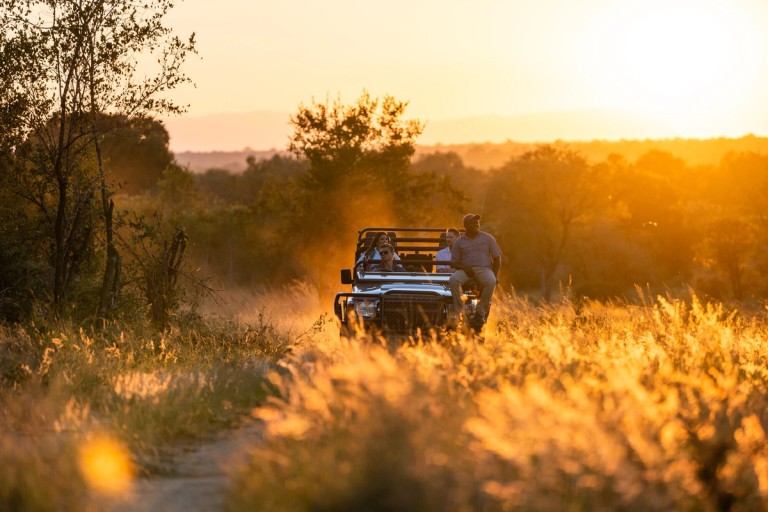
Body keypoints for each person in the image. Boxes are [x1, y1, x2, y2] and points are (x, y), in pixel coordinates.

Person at [449, 213, 502, 329]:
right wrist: (465, 268)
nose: (476, 224)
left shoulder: (487, 237)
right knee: (453, 280)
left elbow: (497, 257)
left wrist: (495, 275)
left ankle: (480, 312)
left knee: (491, 281)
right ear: (465, 225)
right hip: (466, 270)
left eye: (477, 222)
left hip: (484, 269)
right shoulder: (459, 241)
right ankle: (460, 312)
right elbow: (454, 262)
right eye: (472, 222)